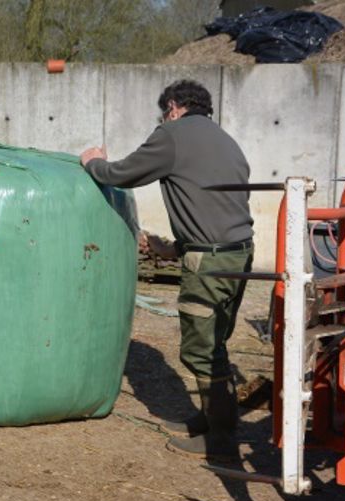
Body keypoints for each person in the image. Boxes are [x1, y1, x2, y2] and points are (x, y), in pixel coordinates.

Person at [80, 80, 254, 460]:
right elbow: (216, 211)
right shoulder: (225, 141)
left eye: (164, 113)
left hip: (209, 264)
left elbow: (122, 173)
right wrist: (172, 248)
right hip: (238, 255)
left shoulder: (173, 135)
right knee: (215, 341)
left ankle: (221, 440)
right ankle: (210, 421)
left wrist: (92, 162)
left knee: (201, 349)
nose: (162, 120)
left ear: (173, 107)